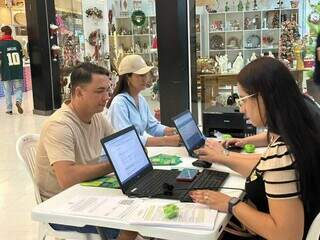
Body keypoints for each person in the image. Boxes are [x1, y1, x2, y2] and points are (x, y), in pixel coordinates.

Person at [190, 57, 320, 239]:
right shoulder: (296, 132)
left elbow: (287, 235)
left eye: (243, 100)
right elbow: (263, 168)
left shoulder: (281, 154)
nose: (242, 109)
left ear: (264, 97)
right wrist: (224, 156)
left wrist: (231, 204)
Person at [35, 63, 136, 240]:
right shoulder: (59, 125)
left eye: (108, 90)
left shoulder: (97, 117)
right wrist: (112, 164)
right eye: (100, 91)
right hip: (61, 205)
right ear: (79, 92)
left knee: (139, 210)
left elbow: (121, 146)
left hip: (86, 193)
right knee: (128, 223)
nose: (107, 97)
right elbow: (67, 178)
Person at [106, 55, 180, 146]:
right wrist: (166, 141)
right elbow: (127, 138)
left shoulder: (141, 99)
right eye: (141, 75)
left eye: (146, 74)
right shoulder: (119, 103)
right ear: (128, 77)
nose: (145, 79)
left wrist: (174, 131)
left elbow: (153, 126)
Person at [0, 25, 24, 114]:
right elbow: (21, 57)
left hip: (6, 71)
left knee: (7, 91)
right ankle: (18, 101)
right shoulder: (17, 43)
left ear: (3, 33)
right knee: (18, 88)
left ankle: (9, 109)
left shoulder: (0, 44)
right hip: (17, 70)